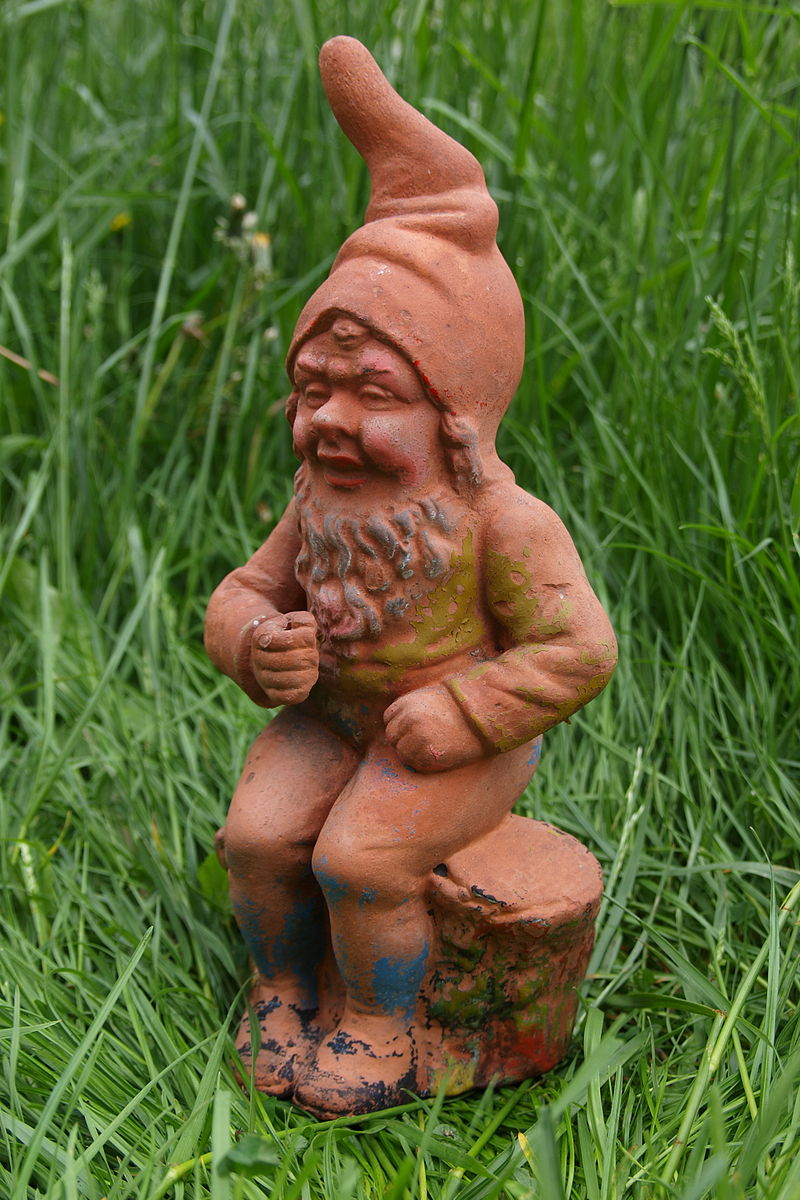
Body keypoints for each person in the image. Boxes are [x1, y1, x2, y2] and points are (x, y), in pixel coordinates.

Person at [205, 36, 617, 1117]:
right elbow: (244, 591)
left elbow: (580, 649)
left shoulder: (501, 523)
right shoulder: (319, 501)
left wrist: (466, 709)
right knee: (256, 837)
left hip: (449, 742)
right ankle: (283, 989)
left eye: (375, 393)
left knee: (361, 859)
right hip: (332, 715)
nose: (331, 421)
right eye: (313, 388)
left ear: (457, 412)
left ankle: (380, 1026)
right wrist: (252, 643)